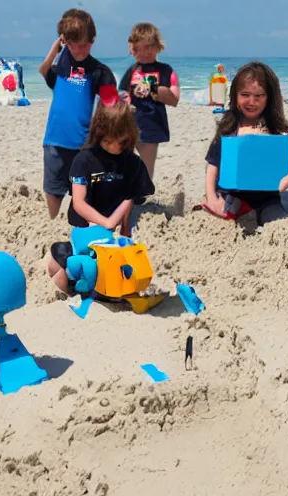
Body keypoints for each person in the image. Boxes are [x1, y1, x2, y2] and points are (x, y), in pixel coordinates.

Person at [45, 100, 156, 294]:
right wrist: (104, 222)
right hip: (83, 223)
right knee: (59, 269)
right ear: (99, 134)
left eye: (119, 142)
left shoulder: (133, 163)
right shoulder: (84, 159)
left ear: (129, 135)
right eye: (107, 141)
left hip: (112, 224)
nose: (113, 147)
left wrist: (123, 227)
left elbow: (130, 197)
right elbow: (79, 202)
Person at [201, 61, 288, 227]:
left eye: (259, 96)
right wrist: (212, 197)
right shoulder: (228, 129)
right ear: (235, 96)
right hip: (231, 196)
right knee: (223, 211)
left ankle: (253, 216)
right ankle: (241, 213)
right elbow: (212, 166)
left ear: (269, 97)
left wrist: (283, 183)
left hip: (268, 199)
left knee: (275, 220)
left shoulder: (278, 131)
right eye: (245, 95)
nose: (251, 101)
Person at [37, 8, 116, 220]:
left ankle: (78, 222)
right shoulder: (61, 63)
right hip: (54, 139)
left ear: (93, 40)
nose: (78, 51)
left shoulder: (99, 71)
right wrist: (56, 48)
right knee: (52, 188)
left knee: (82, 192)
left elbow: (111, 105)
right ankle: (52, 222)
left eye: (83, 45)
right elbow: (43, 71)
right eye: (72, 45)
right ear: (64, 41)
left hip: (83, 144)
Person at [120, 22, 180, 186]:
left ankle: (141, 195)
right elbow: (121, 93)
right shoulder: (132, 70)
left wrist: (152, 88)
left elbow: (174, 99)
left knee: (146, 169)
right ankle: (124, 195)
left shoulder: (166, 71)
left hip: (152, 124)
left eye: (148, 47)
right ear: (132, 50)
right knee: (122, 164)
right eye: (138, 49)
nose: (144, 53)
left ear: (157, 47)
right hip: (128, 125)